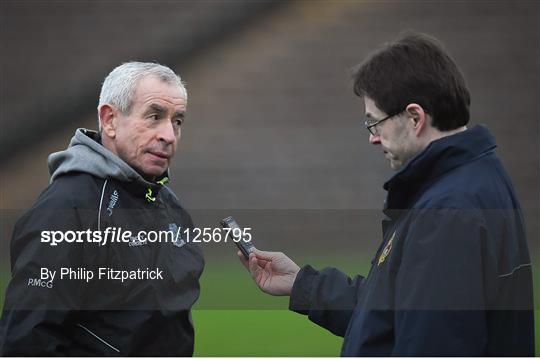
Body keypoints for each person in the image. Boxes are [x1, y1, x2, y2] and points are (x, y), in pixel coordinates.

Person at [239, 32, 535, 356]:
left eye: (374, 123)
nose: (373, 138)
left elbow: (431, 345)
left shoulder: (446, 213)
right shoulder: (474, 179)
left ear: (414, 118)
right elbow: (398, 310)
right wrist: (303, 285)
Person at [0, 62, 204, 355]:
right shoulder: (66, 210)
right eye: (154, 116)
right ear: (109, 120)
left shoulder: (171, 207)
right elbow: (26, 343)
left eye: (177, 121)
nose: (169, 135)